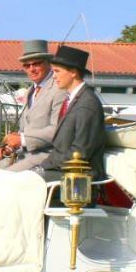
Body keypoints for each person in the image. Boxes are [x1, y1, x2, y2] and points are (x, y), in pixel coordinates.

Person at [35, 45, 107, 181]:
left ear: (73, 72)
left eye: (57, 71)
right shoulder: (72, 100)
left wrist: (44, 166)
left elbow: (80, 152)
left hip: (79, 178)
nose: (53, 77)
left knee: (25, 180)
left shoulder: (87, 104)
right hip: (63, 170)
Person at [0, 39, 67, 172]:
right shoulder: (30, 92)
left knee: (2, 179)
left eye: (36, 64)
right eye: (27, 66)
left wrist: (22, 140)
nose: (31, 69)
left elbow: (58, 130)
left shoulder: (59, 89)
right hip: (25, 155)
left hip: (47, 156)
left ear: (48, 63)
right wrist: (10, 147)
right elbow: (26, 129)